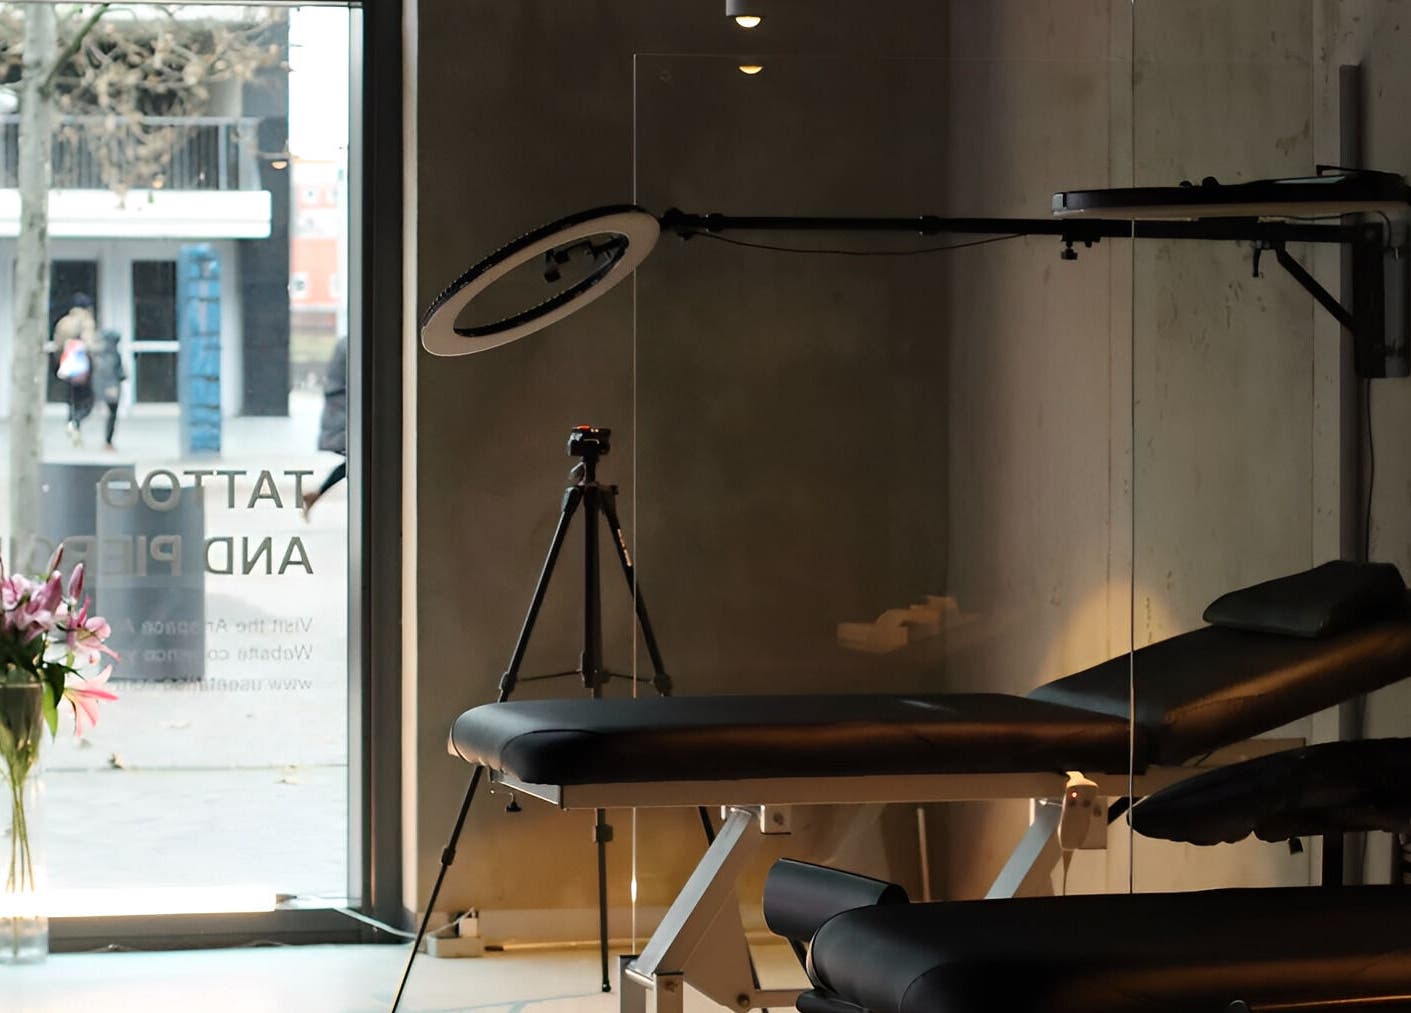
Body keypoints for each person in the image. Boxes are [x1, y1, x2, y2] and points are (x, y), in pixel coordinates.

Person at [302, 336, 347, 518]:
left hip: (340, 412)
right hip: (344, 414)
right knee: (357, 461)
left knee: (354, 462)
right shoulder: (350, 344)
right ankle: (317, 494)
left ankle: (316, 494)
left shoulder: (344, 344)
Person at [53, 293, 97, 446]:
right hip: (83, 368)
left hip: (68, 367)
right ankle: (76, 422)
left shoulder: (64, 322)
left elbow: (58, 345)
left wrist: (61, 362)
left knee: (71, 398)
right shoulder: (87, 322)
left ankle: (72, 423)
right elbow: (89, 345)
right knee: (88, 401)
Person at [90, 329, 126, 452]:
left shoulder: (98, 354)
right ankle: (108, 441)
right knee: (112, 415)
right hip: (112, 388)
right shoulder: (113, 355)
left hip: (98, 387)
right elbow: (118, 373)